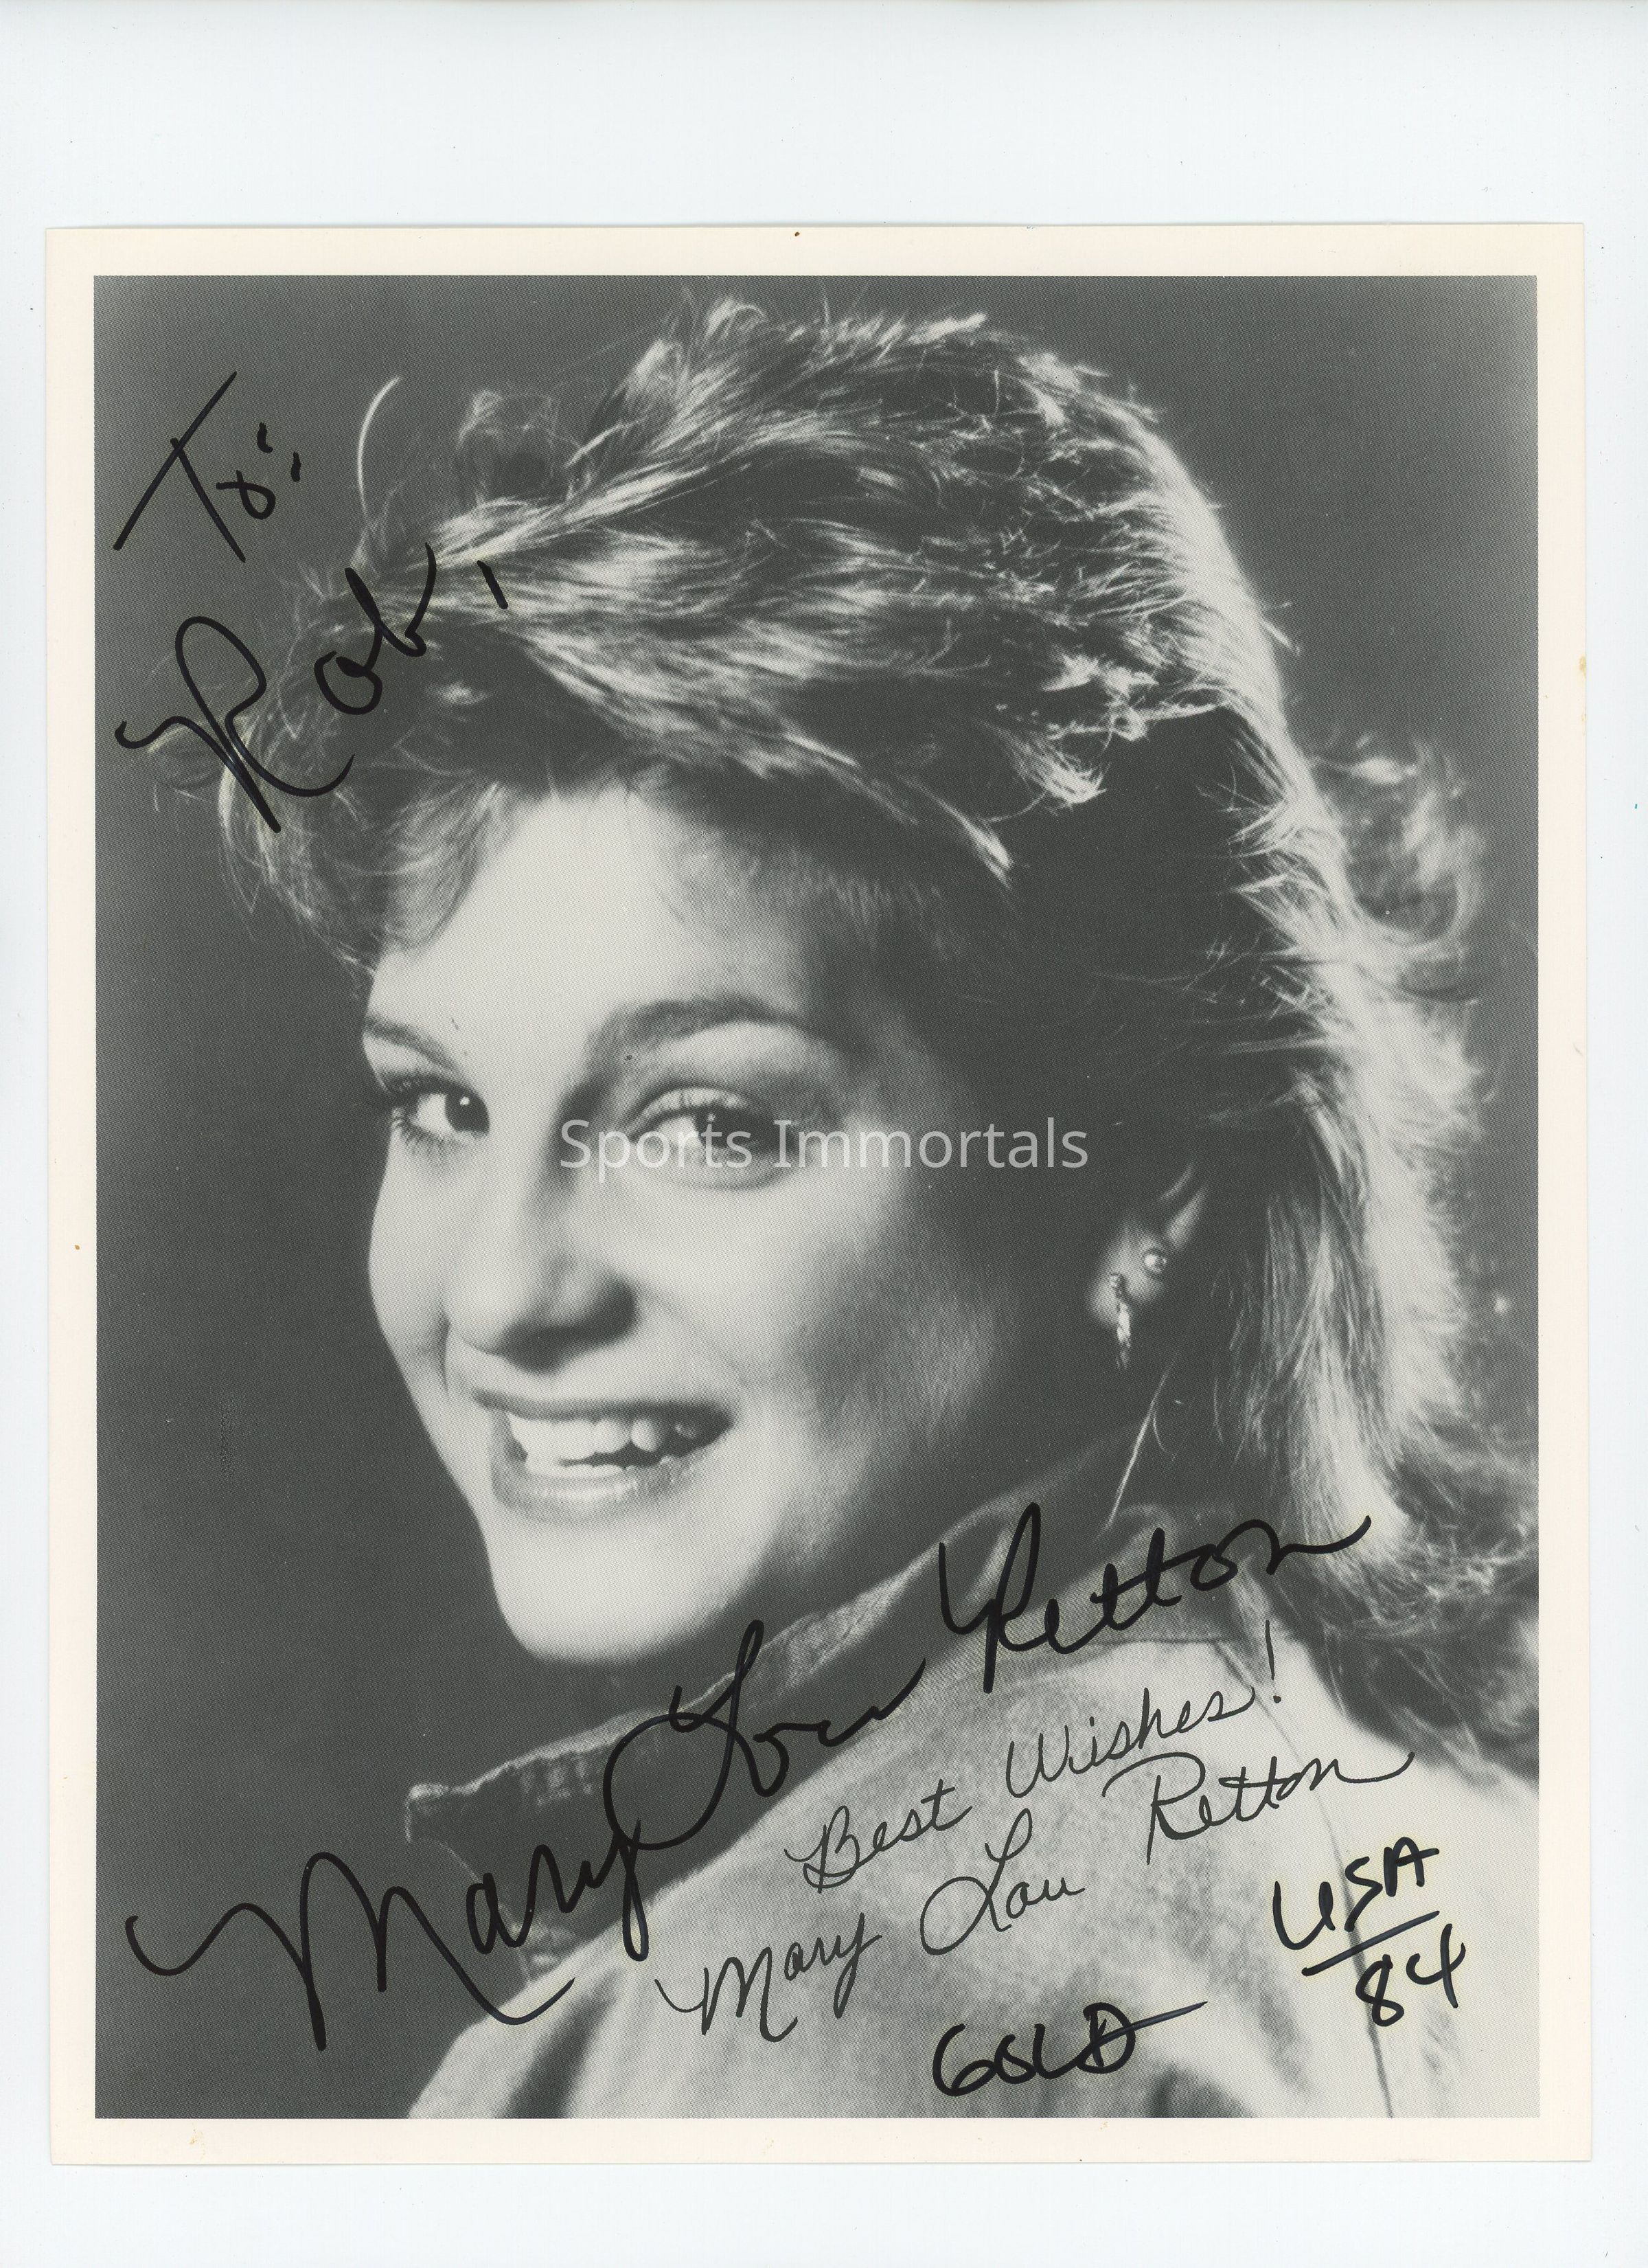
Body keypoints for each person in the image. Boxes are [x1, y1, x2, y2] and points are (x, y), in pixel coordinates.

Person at [225, 299, 1536, 2117]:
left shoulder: (795, 2018)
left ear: (1147, 1167)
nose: (503, 1291)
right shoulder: (1492, 1848)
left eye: (705, 1123)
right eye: (439, 1104)